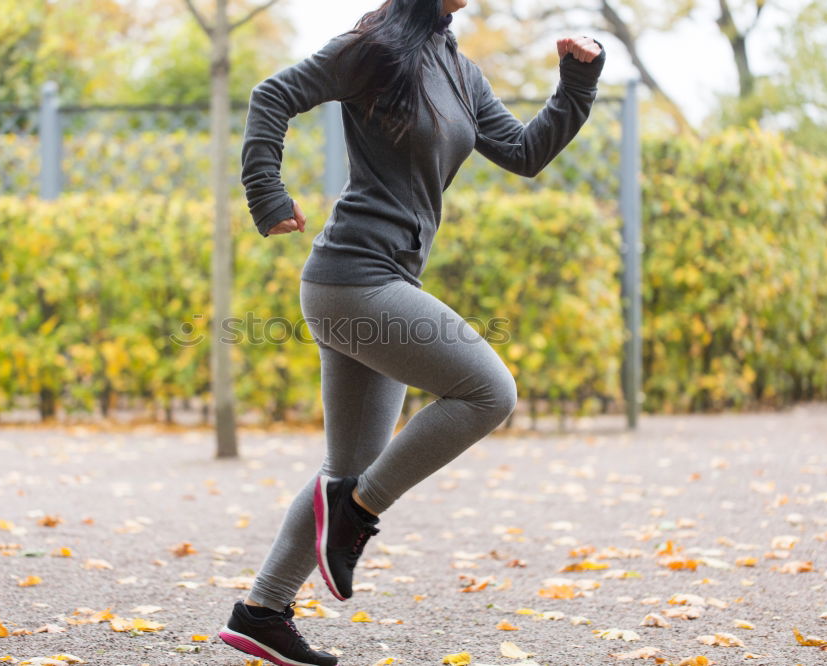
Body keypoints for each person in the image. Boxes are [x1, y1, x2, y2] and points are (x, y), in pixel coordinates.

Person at [219, 0, 605, 663]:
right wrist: (267, 195)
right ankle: (356, 515)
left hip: (382, 279)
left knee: (345, 470)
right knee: (489, 392)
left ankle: (262, 611)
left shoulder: (461, 72)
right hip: (353, 279)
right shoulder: (373, 48)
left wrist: (577, 81)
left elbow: (524, 152)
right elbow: (272, 94)